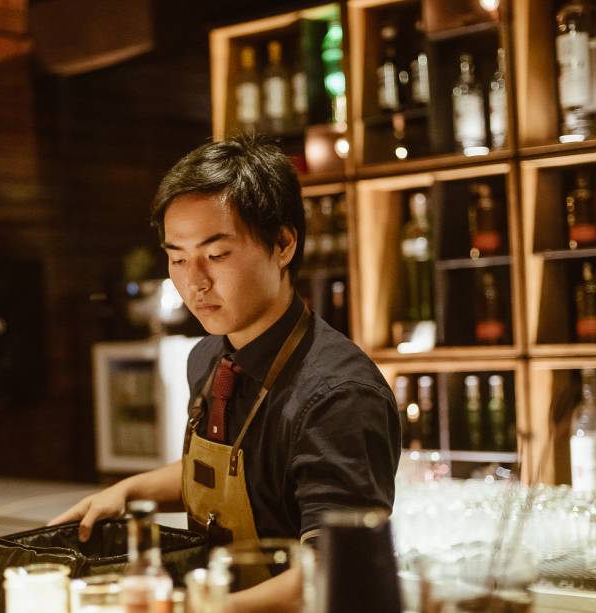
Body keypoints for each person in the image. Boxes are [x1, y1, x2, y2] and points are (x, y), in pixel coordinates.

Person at [51, 135, 400, 610]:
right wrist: (125, 492)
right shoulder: (209, 358)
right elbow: (236, 475)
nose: (194, 282)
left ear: (282, 243)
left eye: (215, 255)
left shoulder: (338, 395)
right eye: (177, 258)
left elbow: (337, 570)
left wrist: (204, 608)